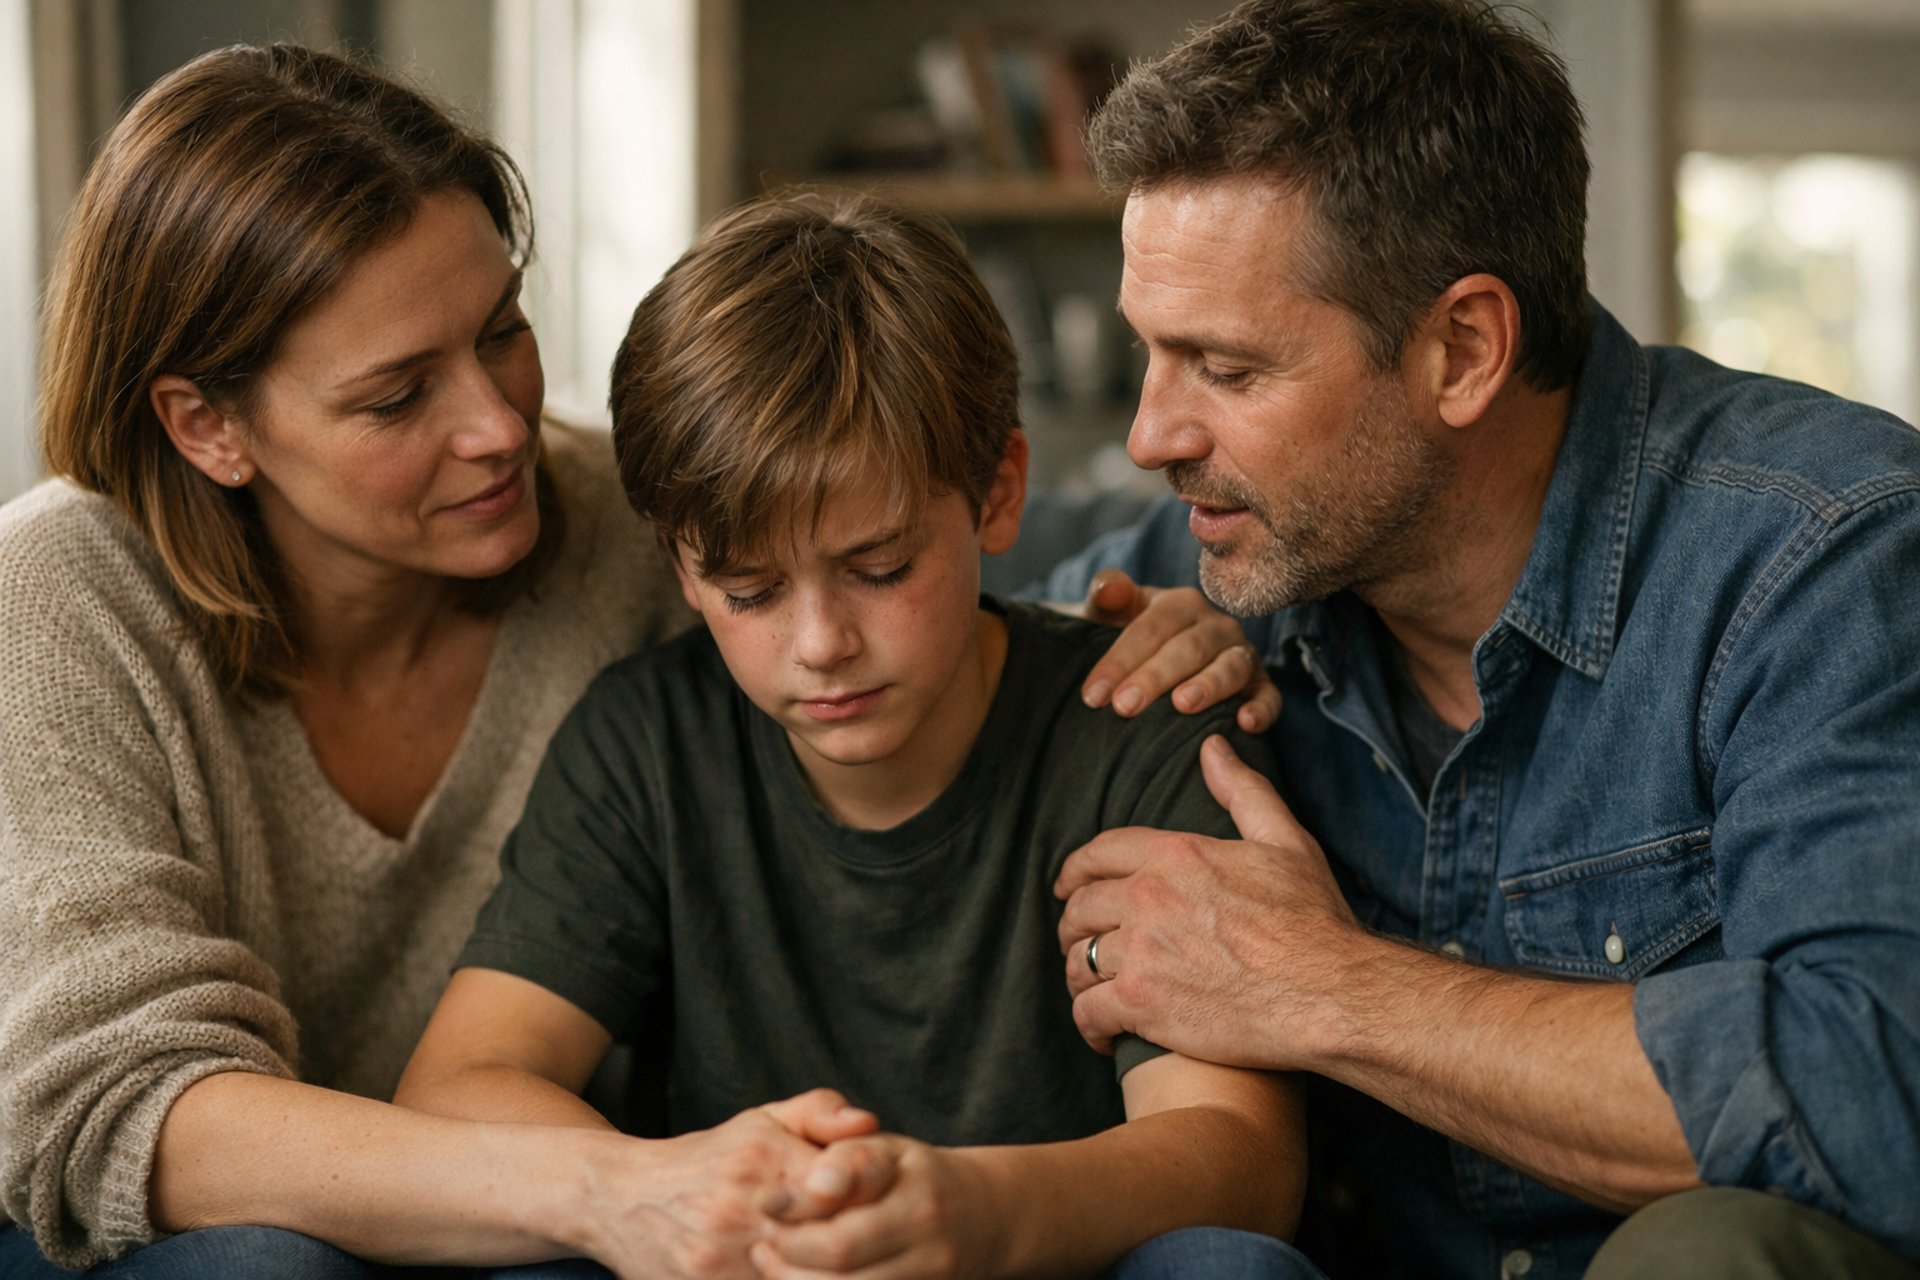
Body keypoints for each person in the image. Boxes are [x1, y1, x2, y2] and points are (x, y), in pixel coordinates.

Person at [1035, 2, 1920, 1278]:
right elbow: (886, 653)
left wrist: (1317, 983)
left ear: (1463, 349)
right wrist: (1089, 666)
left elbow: (1874, 1091)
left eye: (1222, 368)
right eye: (1148, 355)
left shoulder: (1824, 553)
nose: (1149, 434)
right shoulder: (1208, 569)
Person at [0, 43, 897, 1280]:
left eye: (504, 331)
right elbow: (129, 1105)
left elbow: (899, 611)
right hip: (153, 1236)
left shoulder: (621, 540)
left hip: (512, 1209)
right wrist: (616, 1186)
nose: (497, 427)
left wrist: (1147, 623)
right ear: (208, 425)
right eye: (396, 397)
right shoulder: (52, 597)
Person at [394, 190, 1319, 1280]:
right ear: (680, 567)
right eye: (748, 591)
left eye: (881, 570)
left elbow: (1241, 1157)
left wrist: (974, 1211)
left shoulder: (1140, 723)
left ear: (997, 495)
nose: (822, 642)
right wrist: (691, 1194)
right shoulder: (646, 740)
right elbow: (457, 1087)